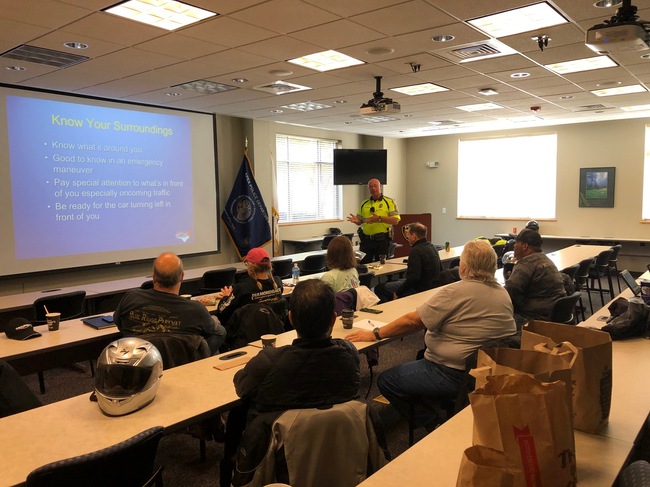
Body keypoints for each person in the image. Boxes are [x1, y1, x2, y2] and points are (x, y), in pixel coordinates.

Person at [347, 239, 516, 429]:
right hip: (489, 370)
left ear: (464, 267)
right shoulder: (502, 293)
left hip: (453, 372)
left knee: (387, 381)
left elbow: (412, 321)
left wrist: (376, 334)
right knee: (420, 355)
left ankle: (431, 422)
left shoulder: (455, 291)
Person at [234, 279, 360, 417]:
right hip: (338, 430)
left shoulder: (266, 363)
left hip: (278, 431)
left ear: (291, 318)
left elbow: (242, 388)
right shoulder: (349, 354)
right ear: (334, 319)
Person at [113, 252, 226, 355]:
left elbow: (118, 322)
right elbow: (216, 332)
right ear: (182, 277)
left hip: (139, 363)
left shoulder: (131, 298)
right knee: (220, 331)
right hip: (182, 364)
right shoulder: (195, 309)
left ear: (154, 277)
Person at [504, 229, 566, 328]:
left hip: (536, 318)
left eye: (516, 243)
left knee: (496, 320)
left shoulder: (527, 263)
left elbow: (510, 291)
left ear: (525, 246)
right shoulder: (545, 258)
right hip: (553, 314)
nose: (514, 246)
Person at [216, 247, 286, 327]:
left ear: (250, 266)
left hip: (247, 331)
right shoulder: (278, 283)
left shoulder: (242, 288)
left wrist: (226, 297)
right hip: (275, 327)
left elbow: (222, 311)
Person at [374, 222, 441, 302]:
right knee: (398, 281)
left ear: (414, 236)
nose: (407, 237)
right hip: (431, 286)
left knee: (379, 288)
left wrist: (398, 293)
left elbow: (413, 278)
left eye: (408, 235)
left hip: (418, 288)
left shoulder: (416, 251)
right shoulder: (432, 247)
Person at [347, 178, 400, 263]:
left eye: (375, 186)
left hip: (382, 241)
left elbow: (395, 220)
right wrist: (357, 221)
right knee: (363, 266)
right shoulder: (364, 203)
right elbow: (360, 221)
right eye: (370, 187)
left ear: (380, 187)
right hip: (366, 241)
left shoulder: (389, 202)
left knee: (382, 266)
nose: (373, 188)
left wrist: (379, 218)